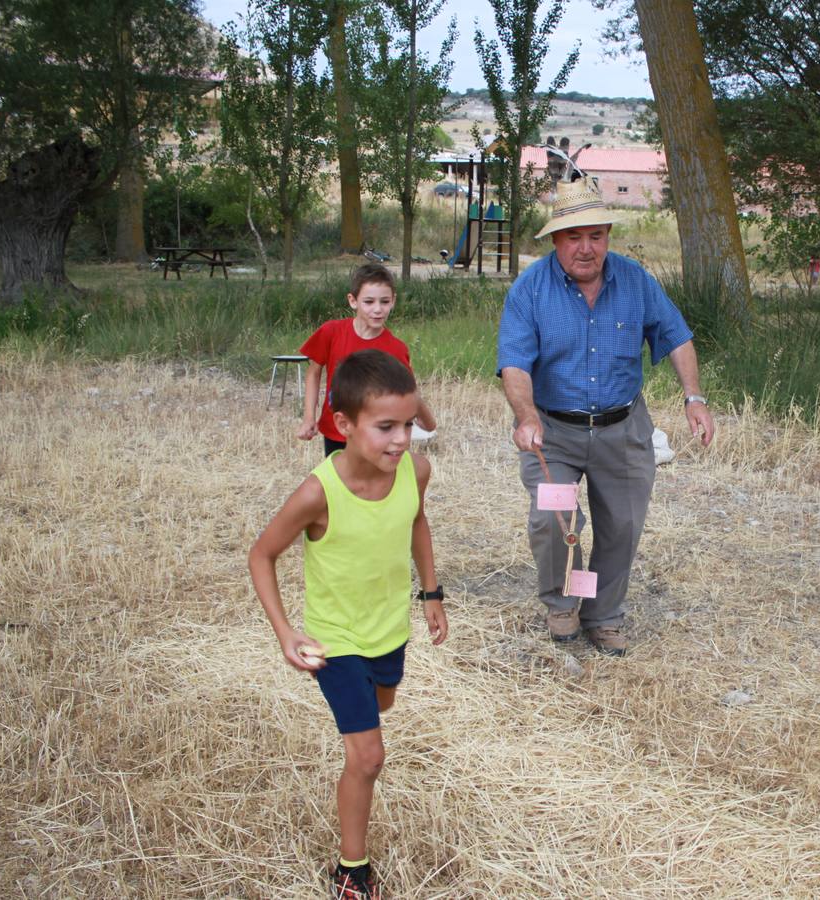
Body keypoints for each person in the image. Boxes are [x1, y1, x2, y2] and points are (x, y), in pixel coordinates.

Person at [249, 349, 448, 900]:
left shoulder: (417, 471)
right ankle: (351, 872)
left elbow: (417, 522)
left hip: (389, 629)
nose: (402, 439)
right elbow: (261, 556)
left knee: (383, 703)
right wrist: (287, 633)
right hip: (335, 639)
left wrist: (431, 592)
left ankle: (360, 713)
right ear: (344, 424)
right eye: (386, 427)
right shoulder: (319, 493)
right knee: (368, 754)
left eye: (408, 424)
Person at [496, 177, 716, 656]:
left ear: (607, 237)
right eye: (574, 237)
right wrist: (526, 415)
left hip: (623, 428)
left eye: (595, 235)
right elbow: (513, 361)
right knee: (556, 519)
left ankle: (602, 612)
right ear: (556, 239)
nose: (585, 247)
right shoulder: (529, 290)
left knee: (621, 526)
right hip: (552, 432)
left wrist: (693, 397)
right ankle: (562, 603)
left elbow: (676, 336)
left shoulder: (634, 280)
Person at [297, 263, 437, 456]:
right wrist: (309, 417)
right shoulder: (331, 332)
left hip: (375, 438)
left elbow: (409, 394)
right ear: (353, 301)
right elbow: (313, 372)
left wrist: (424, 421)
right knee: (339, 484)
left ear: (393, 301)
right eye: (369, 302)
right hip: (336, 432)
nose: (378, 309)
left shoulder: (396, 349)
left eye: (385, 302)